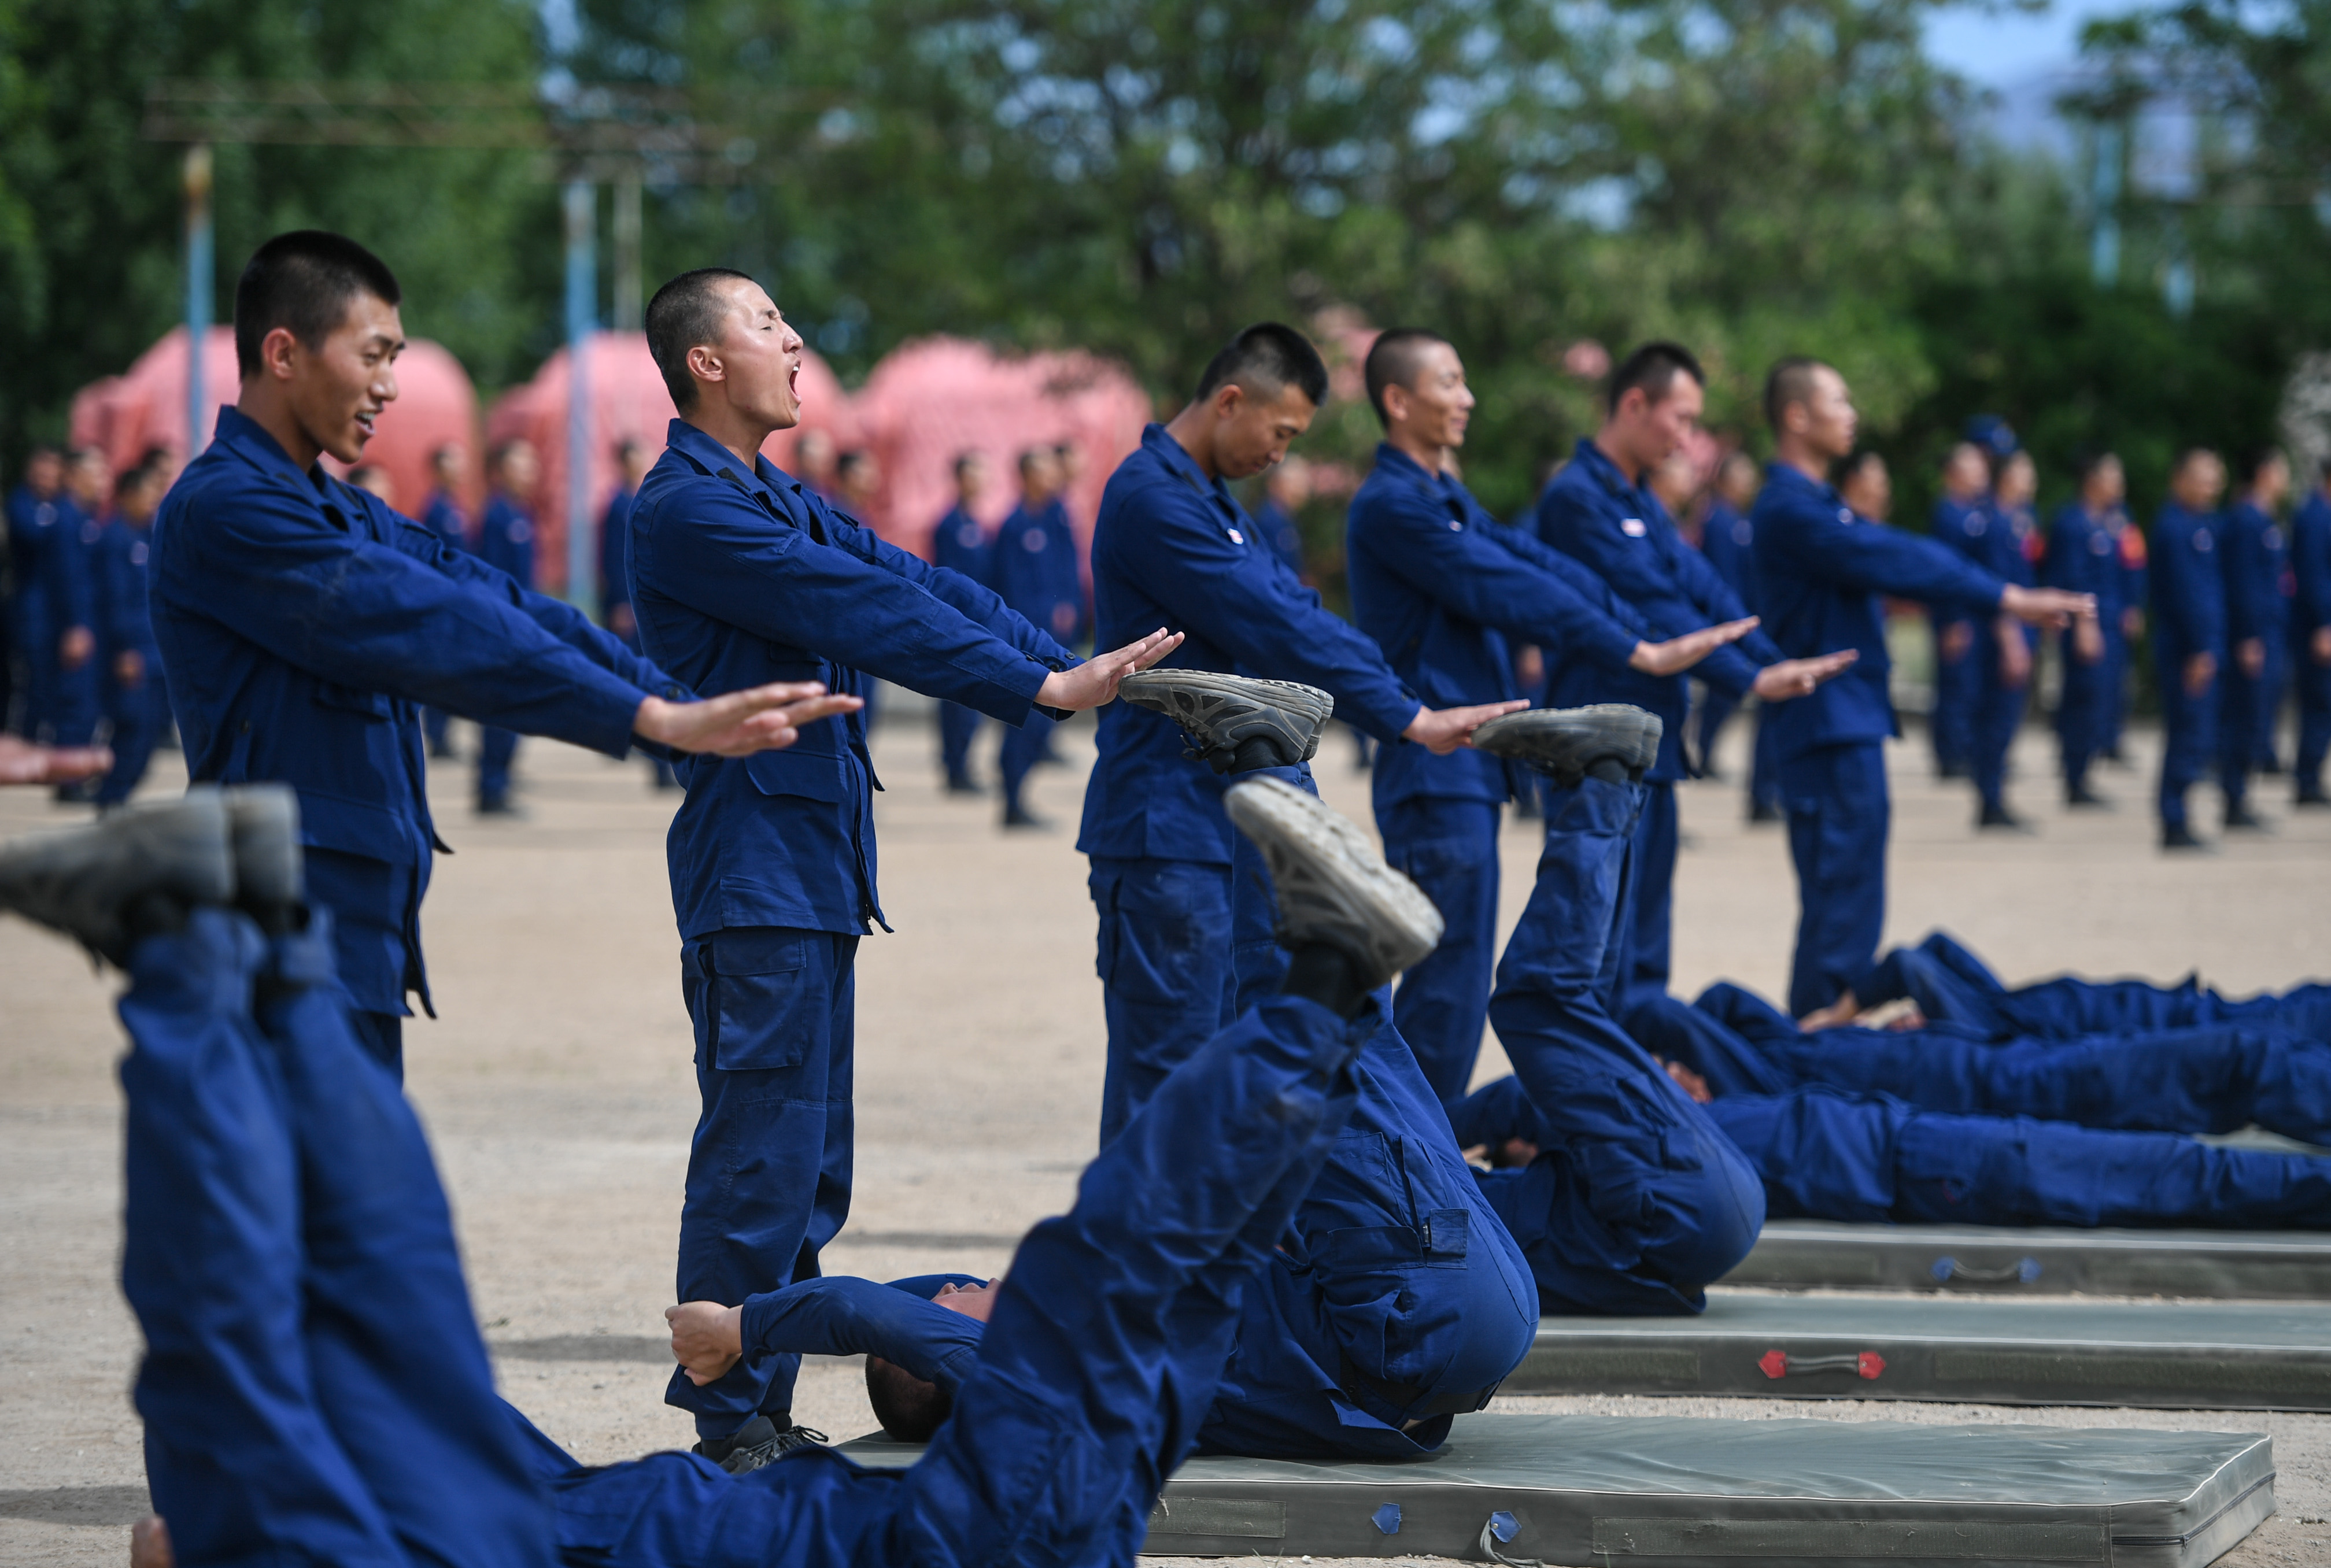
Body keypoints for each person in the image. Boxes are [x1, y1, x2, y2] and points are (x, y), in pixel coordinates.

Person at [625, 265, 1177, 1472]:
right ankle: (726, 1425)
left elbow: (906, 579)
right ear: (704, 363)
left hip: (807, 864)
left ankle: (753, 1401)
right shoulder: (688, 509)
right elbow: (853, 604)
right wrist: (1032, 688)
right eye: (766, 323)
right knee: (759, 1151)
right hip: (754, 868)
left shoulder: (767, 492)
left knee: (808, 1163)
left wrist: (1063, 666)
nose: (794, 338)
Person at [151, 230, 843, 1080]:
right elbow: (428, 621)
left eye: (396, 357)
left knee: (343, 1211)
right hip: (277, 931)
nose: (389, 387)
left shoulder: (342, 510)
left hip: (346, 932)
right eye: (372, 356)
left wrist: (660, 699)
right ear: (284, 352)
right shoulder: (231, 510)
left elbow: (495, 599)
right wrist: (647, 715)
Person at [1078, 321, 1521, 1146]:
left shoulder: (1211, 505)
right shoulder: (1152, 498)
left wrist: (1392, 696)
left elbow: (1296, 608)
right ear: (1229, 400)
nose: (1281, 454)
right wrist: (1405, 715)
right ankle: (1126, 1275)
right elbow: (1274, 622)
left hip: (1220, 822)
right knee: (1165, 1081)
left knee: (1218, 1077)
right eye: (1279, 433)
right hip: (1166, 829)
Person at [1345, 328, 1807, 1103]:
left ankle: (1432, 1174)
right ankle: (1411, 1183)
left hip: (1469, 761)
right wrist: (1637, 649)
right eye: (1449, 382)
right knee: (1447, 989)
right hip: (1435, 764)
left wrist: (1690, 648)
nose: (1468, 398)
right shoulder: (1395, 505)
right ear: (1396, 399)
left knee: (1471, 981)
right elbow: (1502, 586)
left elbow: (1545, 568)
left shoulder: (1441, 495)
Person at [1749, 358, 2089, 1022]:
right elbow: (1894, 557)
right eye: (1838, 400)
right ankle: (1814, 1065)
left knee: (1847, 904)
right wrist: (2006, 596)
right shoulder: (1790, 507)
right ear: (1796, 416)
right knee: (1839, 908)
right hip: (1827, 726)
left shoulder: (1812, 503)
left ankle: (1820, 1053)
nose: (1851, 413)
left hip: (1843, 722)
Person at [1535, 341, 1853, 1006]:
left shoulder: (1639, 499)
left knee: (1645, 952)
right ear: (1632, 404)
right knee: (1596, 953)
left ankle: (1640, 1084)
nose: (1685, 438)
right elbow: (1658, 604)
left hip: (1650, 747)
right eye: (1678, 419)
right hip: (1598, 749)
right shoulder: (1577, 497)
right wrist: (1750, 679)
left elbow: (1703, 590)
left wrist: (1770, 659)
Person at [1446, 704, 1768, 1312]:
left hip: (1695, 1208)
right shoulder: (1392, 1221)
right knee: (1538, 1000)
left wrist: (1458, 1136)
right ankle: (1601, 780)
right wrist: (1452, 1135)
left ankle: (1606, 783)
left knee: (1577, 1007)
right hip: (1676, 1212)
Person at [1631, 979, 2331, 1149]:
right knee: (2237, 1060)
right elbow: (1654, 1008)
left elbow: (1716, 1001)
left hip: (2021, 1060)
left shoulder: (1770, 1048)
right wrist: (1670, 1090)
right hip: (2027, 1091)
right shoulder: (1757, 1088)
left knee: (2247, 1053)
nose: (1683, 1070)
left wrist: (1839, 1011)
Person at [1846, 927, 2331, 1046]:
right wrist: (1835, 1016)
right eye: (1898, 1030)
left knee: (2295, 1011)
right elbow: (1910, 965)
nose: (1903, 1019)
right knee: (2291, 1027)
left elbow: (1938, 946)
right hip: (2181, 1022)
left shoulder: (1990, 1004)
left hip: (2183, 1007)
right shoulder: (1980, 1030)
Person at [991, 446, 1087, 828]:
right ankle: (1012, 799)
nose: (1053, 477)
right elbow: (1006, 587)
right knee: (1023, 720)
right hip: (1025, 643)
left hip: (1054, 639)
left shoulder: (1053, 517)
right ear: (1027, 476)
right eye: (1044, 471)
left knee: (1041, 723)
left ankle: (1019, 795)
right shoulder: (1014, 525)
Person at [2150, 446, 2232, 850]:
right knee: (2186, 731)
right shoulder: (2175, 527)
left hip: (2203, 645)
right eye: (2202, 476)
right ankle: (2173, 820)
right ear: (2179, 479)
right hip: (2186, 649)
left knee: (2197, 732)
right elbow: (2186, 595)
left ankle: (2179, 816)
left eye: (2215, 476)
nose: (2212, 484)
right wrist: (2200, 648)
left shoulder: (2203, 524)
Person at [2044, 451, 2131, 807]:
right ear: (2093, 480)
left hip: (2110, 624)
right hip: (2087, 625)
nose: (2119, 483)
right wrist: (2084, 624)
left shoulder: (2114, 523)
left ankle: (2085, 773)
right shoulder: (2072, 522)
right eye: (2113, 475)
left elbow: (2127, 571)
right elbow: (2074, 578)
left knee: (2104, 699)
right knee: (2082, 699)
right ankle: (2074, 777)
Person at [1969, 448, 2042, 831]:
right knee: (1996, 719)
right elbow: (2000, 591)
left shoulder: (2019, 521)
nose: (2032, 480)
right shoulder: (1997, 524)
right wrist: (2011, 641)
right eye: (2025, 472)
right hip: (2003, 636)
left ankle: (1995, 796)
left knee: (2007, 718)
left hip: (2021, 632)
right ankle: (1990, 800)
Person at [2219, 448, 2292, 829]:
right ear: (2264, 472)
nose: (2286, 477)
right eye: (2281, 469)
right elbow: (2245, 584)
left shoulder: (2265, 519)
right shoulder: (2248, 520)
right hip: (2256, 634)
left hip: (2270, 630)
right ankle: (2233, 798)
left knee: (2259, 716)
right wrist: (2248, 635)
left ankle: (2240, 795)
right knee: (2245, 716)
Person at [91, 461, 170, 808]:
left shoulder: (147, 535)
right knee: (131, 729)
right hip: (131, 653)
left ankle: (119, 799)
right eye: (147, 494)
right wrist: (124, 650)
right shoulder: (115, 538)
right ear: (127, 496)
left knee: (150, 732)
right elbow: (113, 600)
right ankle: (111, 801)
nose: (153, 501)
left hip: (153, 652)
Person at [599, 439, 676, 791]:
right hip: (628, 604)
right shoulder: (617, 505)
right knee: (636, 675)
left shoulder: (646, 496)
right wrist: (619, 603)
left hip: (646, 602)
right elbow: (614, 560)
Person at [471, 439, 544, 816]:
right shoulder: (496, 516)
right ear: (501, 470)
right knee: (501, 707)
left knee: (515, 708)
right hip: (504, 626)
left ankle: (499, 781)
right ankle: (491, 788)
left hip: (522, 622)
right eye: (522, 464)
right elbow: (494, 578)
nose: (531, 471)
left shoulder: (520, 513)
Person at [1925, 440, 1993, 782]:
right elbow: (1945, 573)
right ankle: (1949, 754)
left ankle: (1966, 748)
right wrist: (1952, 620)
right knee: (1956, 686)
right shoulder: (1949, 514)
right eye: (1973, 466)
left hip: (1975, 614)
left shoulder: (1976, 512)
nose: (1982, 472)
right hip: (1957, 614)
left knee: (1972, 686)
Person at [929, 452, 996, 795]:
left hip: (978, 623)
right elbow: (948, 578)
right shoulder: (949, 525)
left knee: (973, 701)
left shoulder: (979, 524)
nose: (979, 482)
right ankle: (954, 766)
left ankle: (964, 763)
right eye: (973, 475)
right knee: (955, 702)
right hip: (956, 623)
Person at [418, 443, 472, 758]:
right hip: (445, 597)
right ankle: (437, 736)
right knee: (441, 668)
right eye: (453, 463)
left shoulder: (455, 507)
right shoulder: (435, 509)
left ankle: (443, 735)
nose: (460, 469)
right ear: (438, 469)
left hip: (459, 596)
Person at [2295, 462, 2331, 807]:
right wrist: (2323, 624)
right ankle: (2307, 780)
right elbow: (2314, 576)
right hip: (2318, 629)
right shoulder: (2318, 516)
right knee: (2320, 703)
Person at [1254, 451, 1311, 578]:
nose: (1301, 490)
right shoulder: (1269, 520)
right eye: (1295, 483)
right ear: (1276, 483)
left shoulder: (1287, 518)